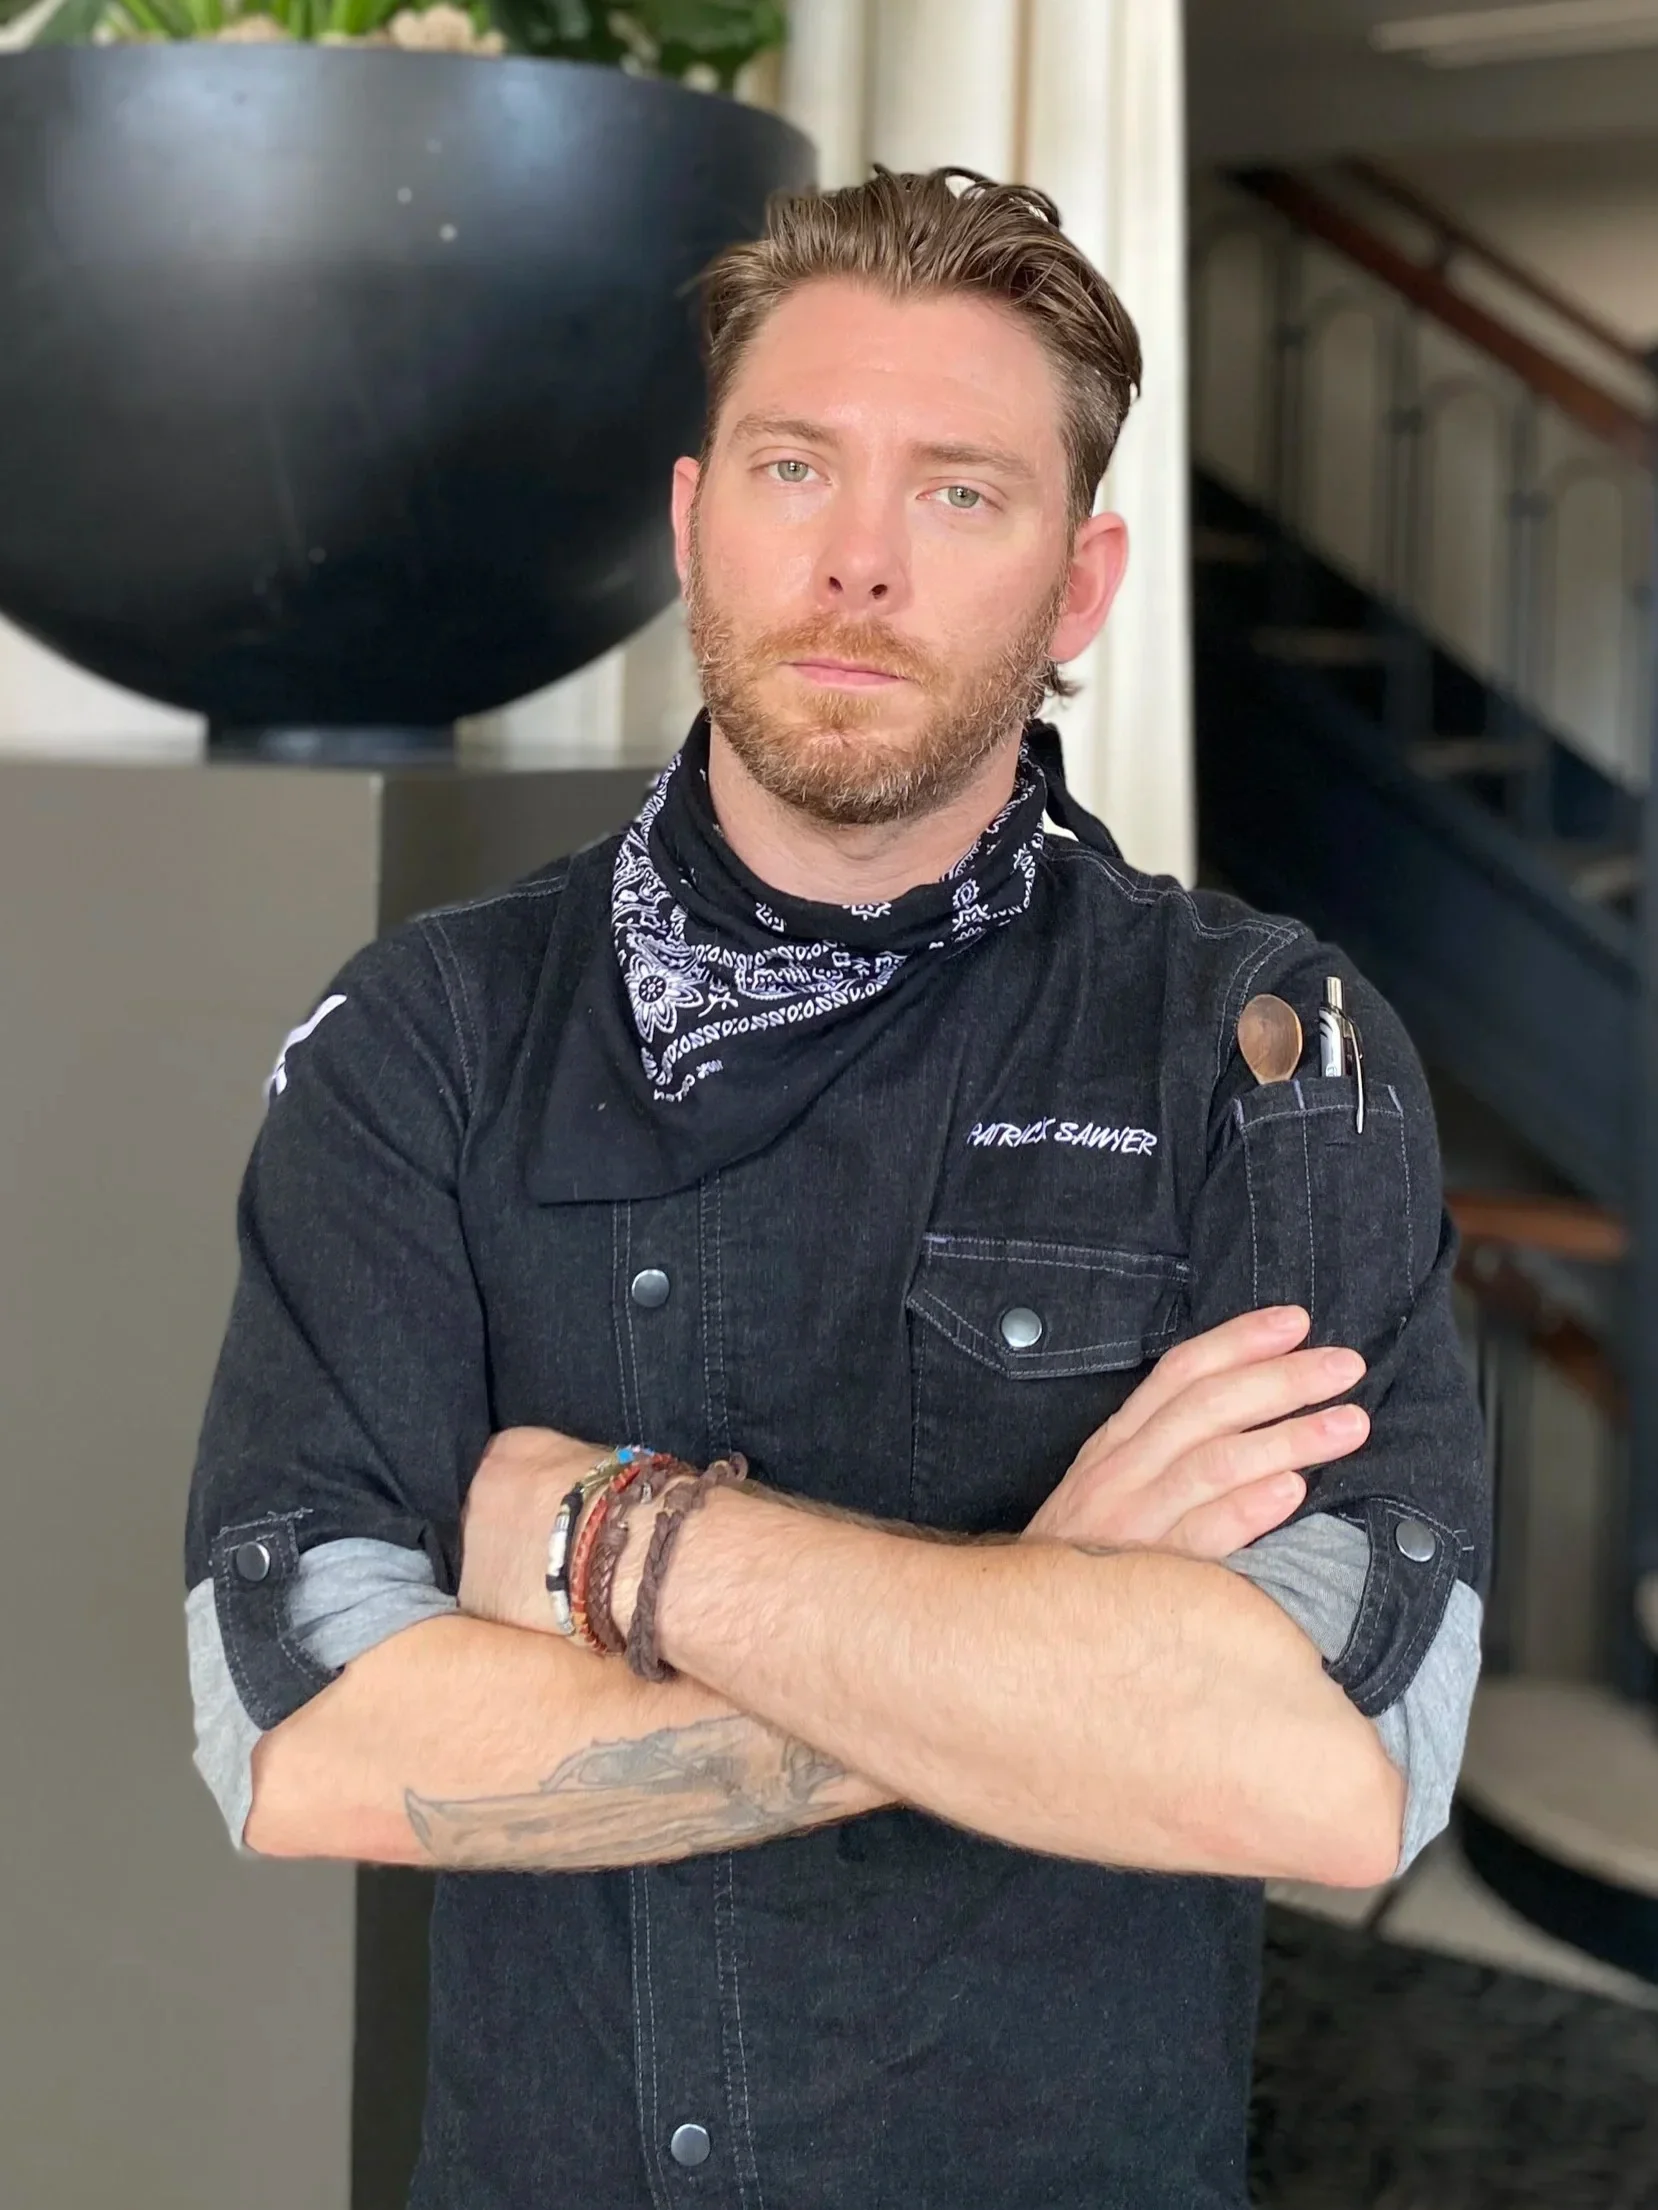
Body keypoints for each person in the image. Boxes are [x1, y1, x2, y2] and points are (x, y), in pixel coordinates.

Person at [184, 167, 1487, 2209]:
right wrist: (1049, 1615)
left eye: (960, 493)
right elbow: (308, 1743)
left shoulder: (1262, 1053)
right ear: (700, 520)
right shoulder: (426, 1036)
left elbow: (1329, 1779)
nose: (860, 561)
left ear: (1077, 585)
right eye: (800, 469)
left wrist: (628, 1546)